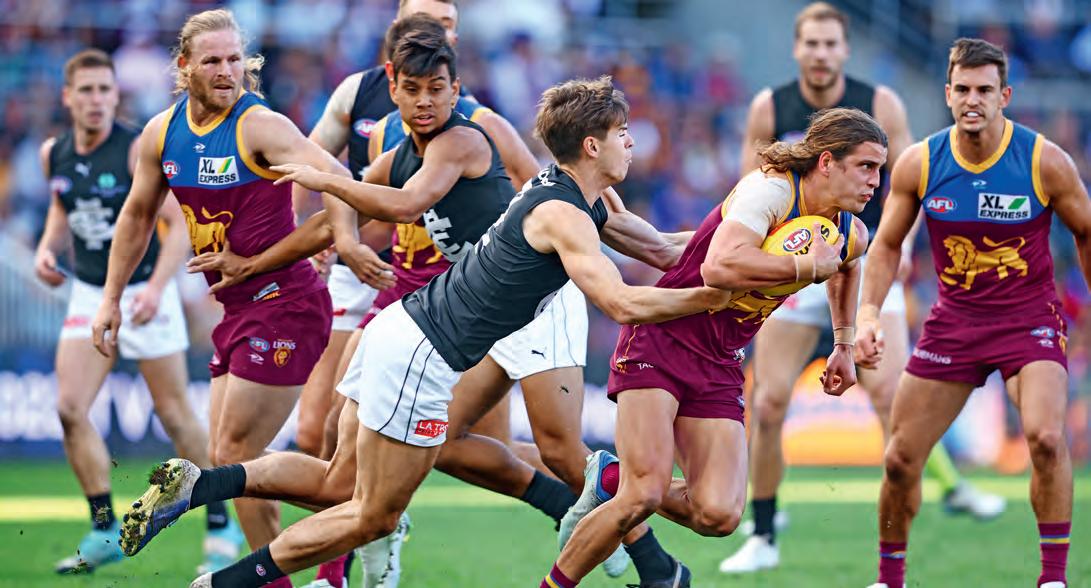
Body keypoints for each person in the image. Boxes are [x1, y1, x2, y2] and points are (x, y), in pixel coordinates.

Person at [546, 106, 886, 588]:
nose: (875, 181)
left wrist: (844, 344)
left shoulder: (852, 231)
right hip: (663, 337)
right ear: (827, 162)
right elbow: (718, 268)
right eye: (866, 166)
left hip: (720, 360)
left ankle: (608, 478)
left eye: (880, 169)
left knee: (719, 514)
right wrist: (805, 268)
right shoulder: (770, 191)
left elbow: (848, 265)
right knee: (642, 495)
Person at [721, 2, 1004, 574]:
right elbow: (750, 184)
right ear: (797, 49)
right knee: (768, 402)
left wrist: (899, 250)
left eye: (831, 44)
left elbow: (912, 184)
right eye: (812, 43)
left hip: (865, 258)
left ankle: (936, 498)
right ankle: (764, 532)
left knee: (890, 395)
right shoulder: (770, 107)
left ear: (845, 50)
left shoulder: (881, 104)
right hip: (794, 264)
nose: (821, 54)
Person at [89, 10, 348, 587]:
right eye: (212, 60)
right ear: (185, 66)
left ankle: (359, 512)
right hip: (238, 310)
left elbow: (341, 187)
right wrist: (110, 297)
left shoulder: (262, 127)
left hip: (286, 302)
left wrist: (332, 243)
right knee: (232, 456)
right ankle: (358, 512)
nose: (227, 70)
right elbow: (136, 216)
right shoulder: (162, 133)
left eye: (235, 59)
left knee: (233, 451)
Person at [857, 38, 1088, 588]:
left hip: (1029, 319)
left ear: (1004, 96)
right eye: (962, 89)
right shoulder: (921, 162)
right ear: (948, 94)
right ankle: (889, 579)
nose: (972, 100)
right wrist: (867, 314)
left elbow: (1086, 231)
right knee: (899, 459)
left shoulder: (1044, 160)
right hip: (954, 324)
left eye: (984, 89)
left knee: (1046, 439)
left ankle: (1053, 579)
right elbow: (886, 244)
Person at [35, 48, 240, 575]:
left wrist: (156, 287)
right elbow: (62, 206)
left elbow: (178, 225)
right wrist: (46, 249)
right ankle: (104, 526)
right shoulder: (53, 152)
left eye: (105, 90)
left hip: (145, 289)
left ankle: (222, 521)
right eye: (87, 90)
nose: (97, 100)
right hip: (91, 291)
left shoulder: (133, 149)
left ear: (115, 96)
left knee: (174, 414)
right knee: (69, 408)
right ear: (68, 97)